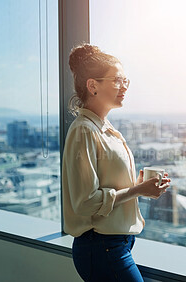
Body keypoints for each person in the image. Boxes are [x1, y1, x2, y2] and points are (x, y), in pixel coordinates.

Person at [62, 43, 171, 282]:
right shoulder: (84, 131)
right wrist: (137, 190)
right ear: (93, 86)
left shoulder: (103, 128)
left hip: (114, 244)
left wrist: (141, 187)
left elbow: (107, 184)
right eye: (117, 80)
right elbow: (85, 202)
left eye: (126, 81)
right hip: (101, 246)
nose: (124, 87)